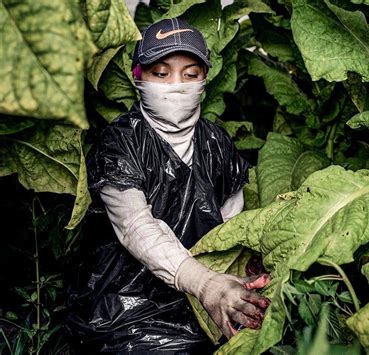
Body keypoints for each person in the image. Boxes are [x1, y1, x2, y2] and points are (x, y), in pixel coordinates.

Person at [67, 18, 270, 353]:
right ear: (138, 77)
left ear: (204, 79)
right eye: (161, 74)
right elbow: (135, 226)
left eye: (190, 75)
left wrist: (241, 275)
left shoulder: (216, 141)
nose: (176, 86)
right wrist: (204, 284)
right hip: (125, 307)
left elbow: (233, 223)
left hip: (202, 297)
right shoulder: (121, 141)